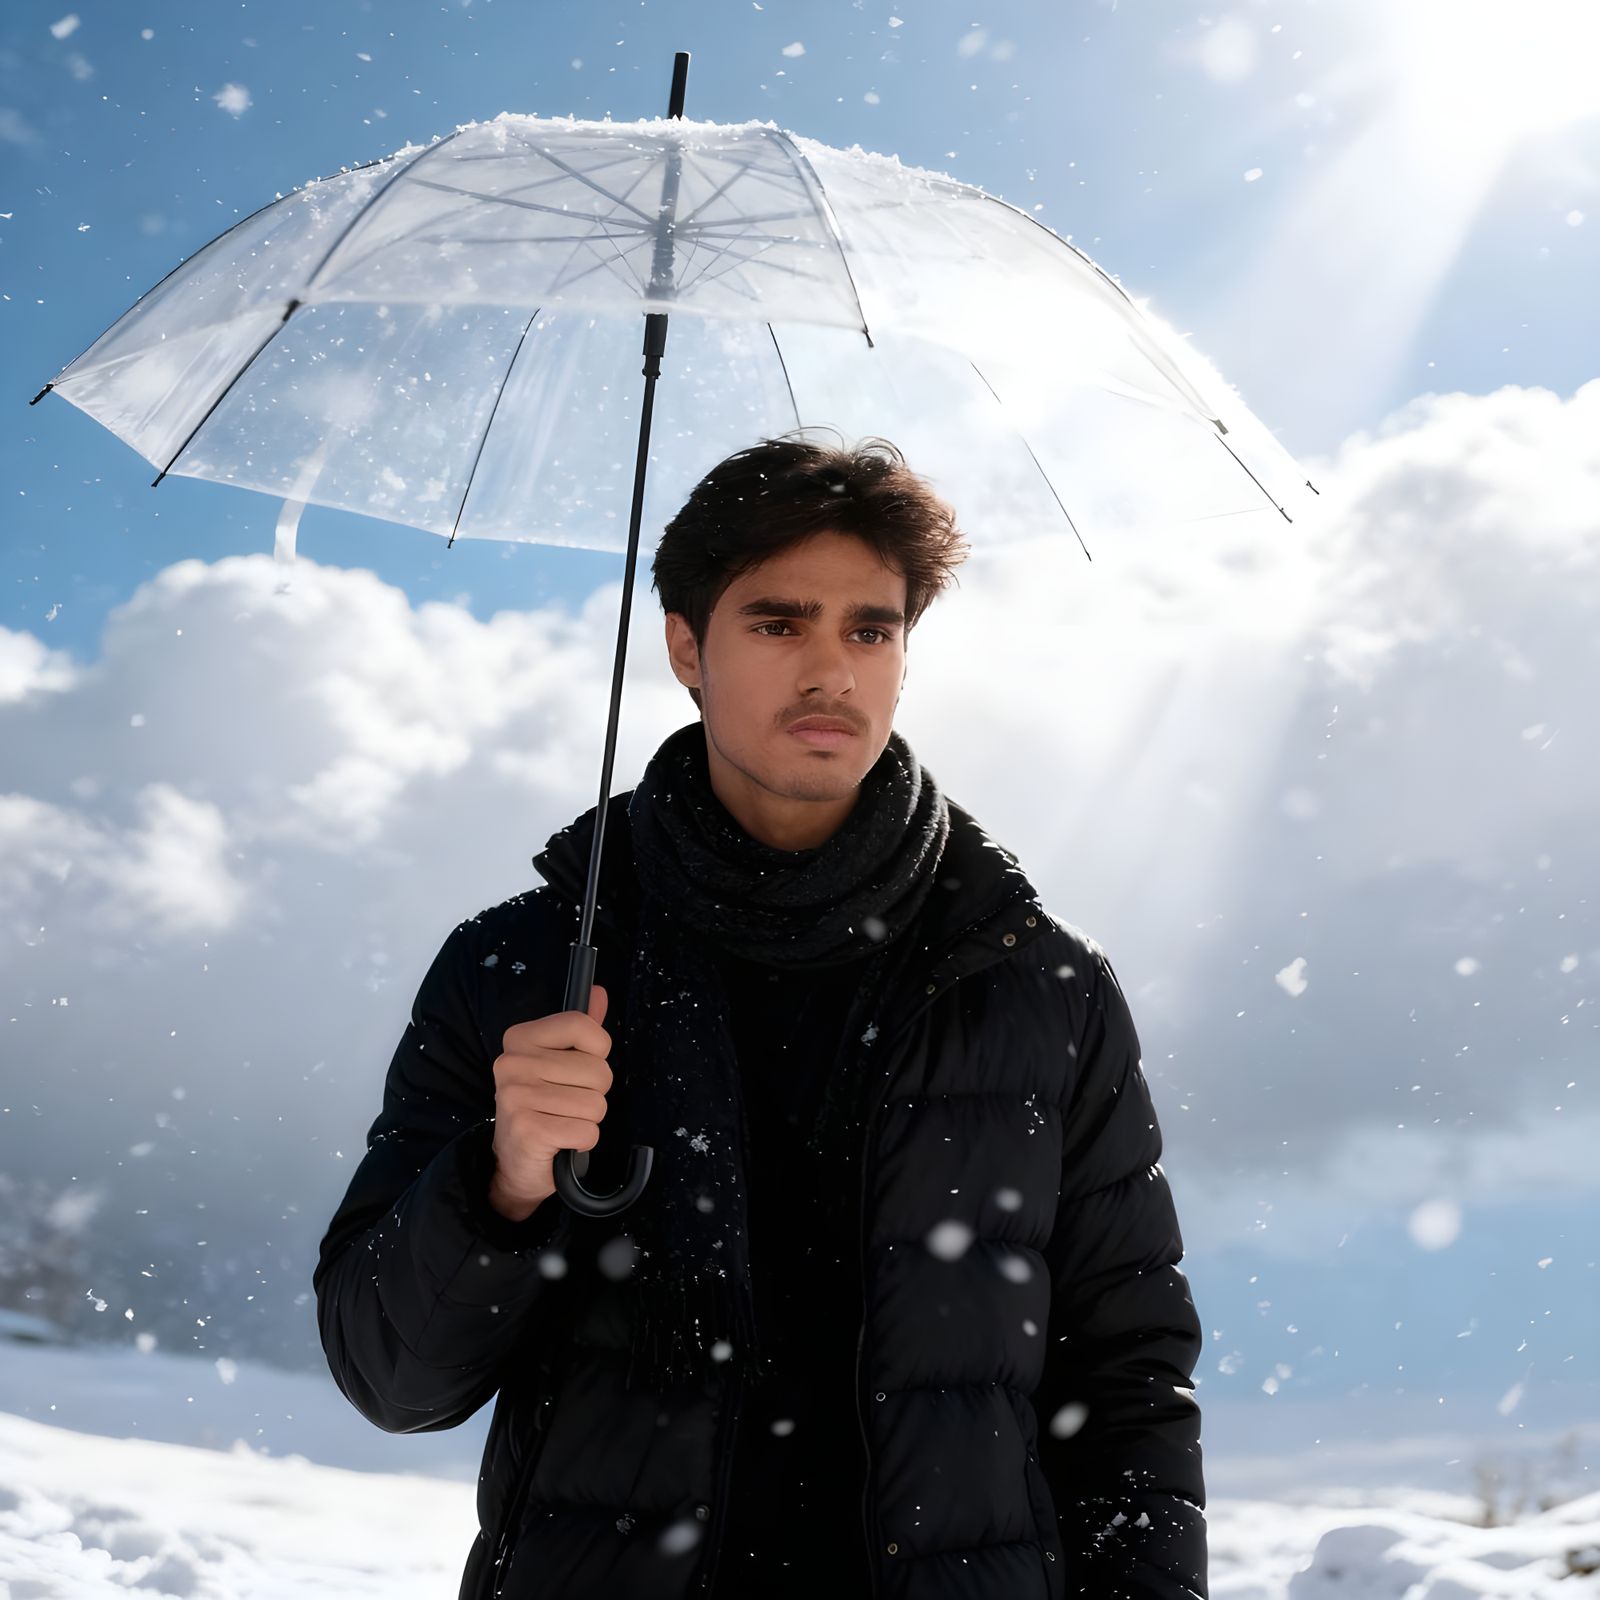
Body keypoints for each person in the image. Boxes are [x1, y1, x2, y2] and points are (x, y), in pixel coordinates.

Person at [314, 431, 1208, 1600]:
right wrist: (506, 1179)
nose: (830, 671)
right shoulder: (521, 962)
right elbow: (392, 1379)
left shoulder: (1039, 984)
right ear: (687, 646)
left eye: (869, 629)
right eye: (779, 624)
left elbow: (1128, 1374)